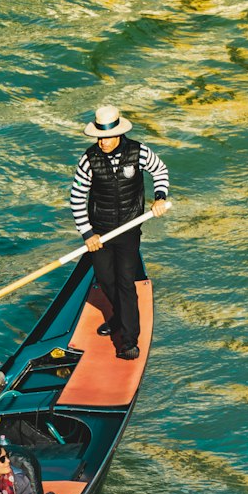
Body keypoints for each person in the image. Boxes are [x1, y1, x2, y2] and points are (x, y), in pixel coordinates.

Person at [68, 103, 170, 361]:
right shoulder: (88, 159)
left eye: (106, 137)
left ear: (118, 134)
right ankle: (118, 317)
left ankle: (128, 340)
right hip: (100, 231)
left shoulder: (139, 152)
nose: (102, 143)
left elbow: (160, 171)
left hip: (128, 227)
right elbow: (77, 197)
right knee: (105, 280)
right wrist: (87, 233)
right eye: (99, 138)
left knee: (125, 282)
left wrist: (160, 197)